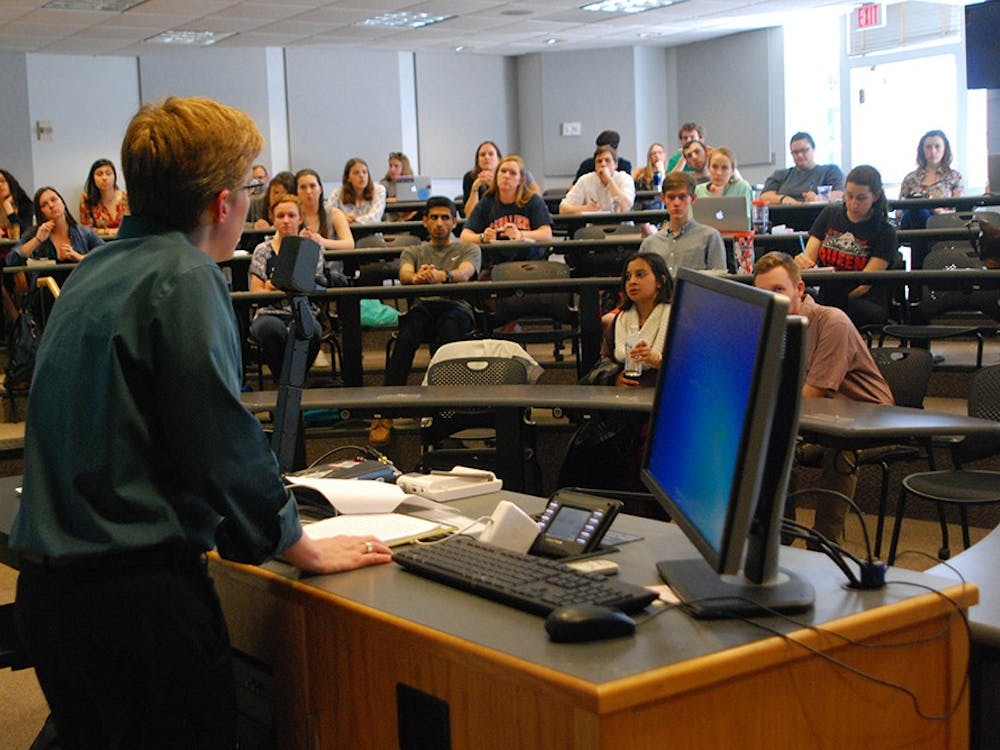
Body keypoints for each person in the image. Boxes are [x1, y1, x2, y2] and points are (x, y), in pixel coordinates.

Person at [10, 95, 392, 749]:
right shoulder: (185, 275)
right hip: (138, 602)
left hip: (54, 595)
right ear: (223, 202)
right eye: (250, 186)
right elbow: (217, 438)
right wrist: (294, 539)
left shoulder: (94, 270)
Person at [753, 251, 893, 543]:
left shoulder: (832, 322)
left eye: (779, 290)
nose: (772, 300)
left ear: (799, 289)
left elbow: (812, 394)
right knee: (774, 441)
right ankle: (779, 534)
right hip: (819, 419)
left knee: (840, 449)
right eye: (763, 293)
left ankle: (824, 543)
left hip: (869, 419)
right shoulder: (770, 328)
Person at [558, 252, 670, 517]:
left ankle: (641, 516)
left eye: (641, 274)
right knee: (583, 450)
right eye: (628, 276)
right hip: (621, 409)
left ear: (661, 281)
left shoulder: (678, 318)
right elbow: (603, 364)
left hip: (662, 409)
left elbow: (692, 370)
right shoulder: (618, 322)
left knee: (639, 454)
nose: (632, 281)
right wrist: (614, 377)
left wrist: (657, 360)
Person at [370, 196, 481, 445]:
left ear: (455, 221)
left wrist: (439, 276)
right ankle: (385, 413)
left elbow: (465, 273)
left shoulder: (468, 248)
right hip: (424, 307)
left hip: (457, 307)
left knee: (449, 334)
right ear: (424, 221)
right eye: (434, 218)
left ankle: (448, 411)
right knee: (406, 336)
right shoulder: (414, 250)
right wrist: (417, 279)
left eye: (445, 218)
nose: (439, 223)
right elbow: (405, 273)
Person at [795, 164, 898, 328]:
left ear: (876, 196)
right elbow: (809, 258)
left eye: (861, 198)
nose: (853, 204)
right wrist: (801, 262)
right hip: (827, 294)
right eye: (849, 196)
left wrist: (830, 300)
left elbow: (865, 283)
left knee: (824, 304)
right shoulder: (830, 214)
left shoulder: (885, 232)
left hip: (863, 301)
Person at [249, 194, 324, 381]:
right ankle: (284, 382)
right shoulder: (262, 250)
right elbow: (256, 291)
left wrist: (274, 284)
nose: (286, 221)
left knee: (311, 331)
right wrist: (285, 284)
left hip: (303, 311)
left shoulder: (312, 249)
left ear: (300, 218)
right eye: (280, 216)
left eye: (291, 215)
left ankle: (293, 382)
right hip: (269, 313)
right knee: (272, 330)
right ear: (273, 220)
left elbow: (310, 286)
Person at [460, 154, 553, 255]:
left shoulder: (533, 200)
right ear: (496, 176)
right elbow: (464, 236)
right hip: (495, 263)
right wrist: (482, 237)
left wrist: (520, 234)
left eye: (513, 173)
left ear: (520, 180)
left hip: (528, 263)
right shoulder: (487, 201)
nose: (507, 176)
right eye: (503, 171)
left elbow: (546, 234)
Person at [898, 130, 965, 269]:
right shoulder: (910, 178)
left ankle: (918, 274)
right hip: (910, 222)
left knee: (920, 219)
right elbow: (899, 210)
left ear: (945, 149)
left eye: (937, 146)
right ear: (922, 150)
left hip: (942, 222)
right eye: (928, 147)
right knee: (917, 212)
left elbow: (959, 212)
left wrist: (938, 211)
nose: (932, 151)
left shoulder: (954, 177)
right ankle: (923, 271)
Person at [639, 172, 725, 279]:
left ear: (693, 199)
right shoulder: (649, 244)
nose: (676, 203)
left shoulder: (710, 237)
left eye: (682, 197)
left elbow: (719, 284)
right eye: (671, 197)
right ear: (663, 199)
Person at [295, 168, 354, 285]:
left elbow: (349, 244)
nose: (308, 191)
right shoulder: (292, 215)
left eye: (312, 186)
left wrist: (322, 241)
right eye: (303, 187)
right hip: (298, 273)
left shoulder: (335, 214)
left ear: (320, 189)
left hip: (330, 273)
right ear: (296, 192)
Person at [761, 132, 845, 205]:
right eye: (795, 152)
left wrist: (818, 198)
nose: (800, 155)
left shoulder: (831, 171)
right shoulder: (780, 174)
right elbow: (764, 196)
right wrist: (783, 199)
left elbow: (840, 194)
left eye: (804, 150)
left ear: (813, 148)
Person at [463, 141, 541, 217]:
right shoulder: (470, 177)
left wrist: (495, 185)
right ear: (477, 160)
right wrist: (475, 188)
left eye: (491, 154)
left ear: (499, 159)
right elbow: (469, 215)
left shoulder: (520, 173)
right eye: (482, 155)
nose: (486, 157)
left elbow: (537, 199)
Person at [559, 145, 636, 214]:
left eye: (607, 160)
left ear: (615, 164)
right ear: (595, 166)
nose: (603, 164)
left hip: (622, 227)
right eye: (599, 161)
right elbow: (563, 209)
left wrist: (609, 180)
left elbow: (625, 207)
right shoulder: (585, 180)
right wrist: (585, 209)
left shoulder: (625, 178)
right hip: (593, 228)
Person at [78, 159, 129, 236]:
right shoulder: (87, 199)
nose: (104, 178)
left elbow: (133, 227)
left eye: (108, 174)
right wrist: (113, 232)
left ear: (114, 176)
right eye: (99, 174)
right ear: (93, 178)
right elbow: (86, 230)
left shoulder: (126, 198)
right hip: (98, 243)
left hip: (124, 242)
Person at [329, 157, 387, 224]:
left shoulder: (379, 190)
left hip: (372, 232)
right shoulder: (337, 193)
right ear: (348, 178)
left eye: (364, 172)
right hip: (346, 232)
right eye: (356, 173)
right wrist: (342, 217)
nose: (361, 176)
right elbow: (327, 216)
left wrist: (354, 220)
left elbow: (375, 217)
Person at [380, 151, 417, 221]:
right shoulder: (384, 184)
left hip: (409, 219)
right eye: (390, 166)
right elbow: (380, 200)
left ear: (404, 168)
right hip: (390, 222)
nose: (392, 169)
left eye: (396, 166)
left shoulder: (412, 184)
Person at [0, 168, 32, 240]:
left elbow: (26, 235)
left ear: (10, 183)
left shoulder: (25, 205)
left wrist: (8, 207)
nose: (0, 185)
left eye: (2, 181)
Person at [632, 143, 666, 210]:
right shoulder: (639, 172)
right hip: (641, 206)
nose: (657, 155)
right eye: (654, 153)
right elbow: (628, 184)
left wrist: (661, 171)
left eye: (660, 152)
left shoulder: (667, 174)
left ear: (664, 155)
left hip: (659, 207)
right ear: (649, 157)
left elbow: (664, 189)